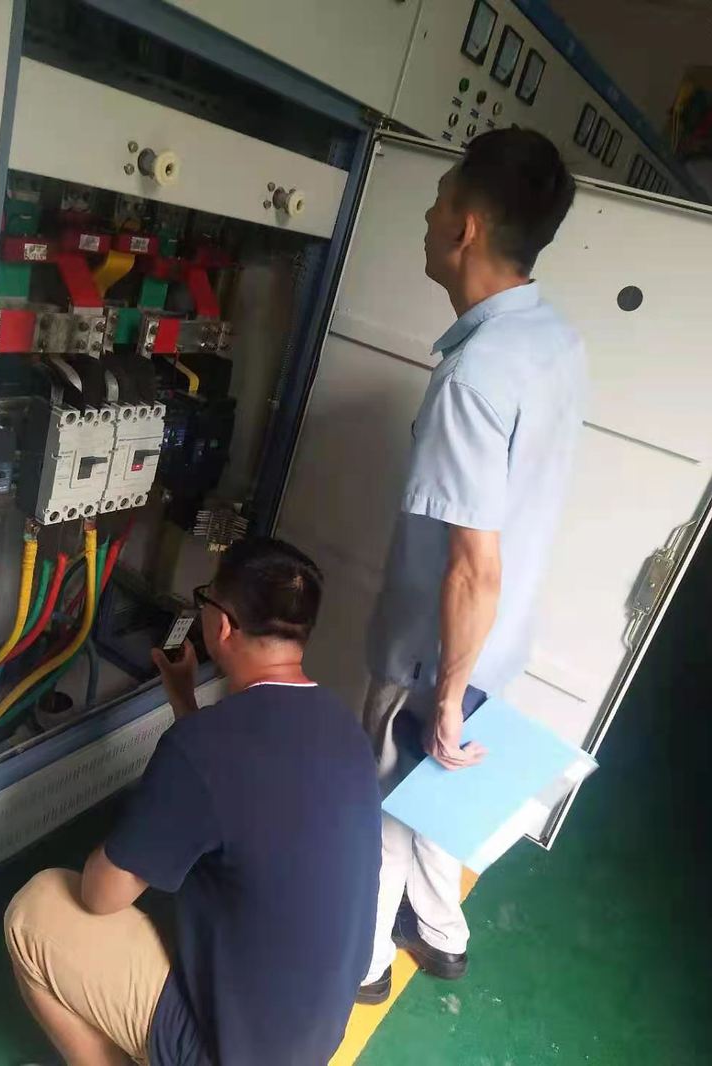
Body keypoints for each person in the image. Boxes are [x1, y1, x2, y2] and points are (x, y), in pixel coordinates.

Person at [357, 128, 585, 1004]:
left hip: (435, 653)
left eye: (437, 199)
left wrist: (445, 698)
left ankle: (363, 965)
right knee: (437, 796)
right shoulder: (551, 339)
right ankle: (442, 933)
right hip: (495, 642)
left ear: (466, 227)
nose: (426, 216)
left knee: (384, 804)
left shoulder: (474, 375)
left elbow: (470, 567)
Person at [5, 538, 381, 1066]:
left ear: (221, 625)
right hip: (309, 1039)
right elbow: (239, 786)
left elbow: (100, 896)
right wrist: (183, 700)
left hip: (225, 1053)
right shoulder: (345, 730)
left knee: (37, 907)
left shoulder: (203, 749)